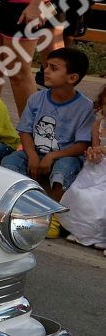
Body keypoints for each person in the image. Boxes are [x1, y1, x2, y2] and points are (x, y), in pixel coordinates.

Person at [1, 47, 95, 205]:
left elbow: (81, 145)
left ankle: (53, 212)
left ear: (72, 78)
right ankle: (18, 205)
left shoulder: (85, 107)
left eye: (54, 68)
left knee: (65, 168)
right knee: (10, 161)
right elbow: (25, 132)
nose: (46, 71)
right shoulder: (36, 99)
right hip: (33, 153)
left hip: (65, 157)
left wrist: (52, 156)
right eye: (46, 66)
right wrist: (32, 156)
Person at [61, 82, 106, 249]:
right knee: (81, 193)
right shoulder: (98, 125)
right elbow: (95, 148)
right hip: (99, 167)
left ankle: (100, 236)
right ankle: (83, 232)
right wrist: (93, 154)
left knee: (100, 199)